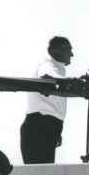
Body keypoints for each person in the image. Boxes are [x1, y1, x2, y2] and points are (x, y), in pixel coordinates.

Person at [20, 36, 74, 164]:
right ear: (62, 48)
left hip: (48, 127)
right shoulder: (47, 65)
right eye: (70, 50)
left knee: (46, 174)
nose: (72, 54)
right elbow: (47, 76)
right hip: (39, 126)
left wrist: (57, 131)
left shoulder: (58, 68)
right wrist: (69, 81)